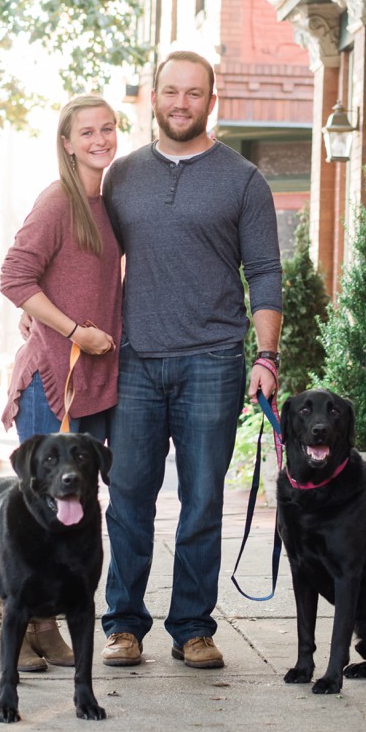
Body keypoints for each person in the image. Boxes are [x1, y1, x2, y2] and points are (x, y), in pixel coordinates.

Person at [100, 51, 282, 672]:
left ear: (212, 99)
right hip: (135, 361)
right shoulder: (120, 177)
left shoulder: (242, 180)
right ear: (153, 95)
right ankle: (123, 625)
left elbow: (264, 271)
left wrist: (266, 356)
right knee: (128, 498)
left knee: (203, 499)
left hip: (213, 361)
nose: (182, 103)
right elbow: (90, 256)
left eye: (195, 93)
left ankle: (193, 628)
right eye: (171, 91)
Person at [0, 92, 122, 671]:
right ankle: (11, 634)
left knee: (72, 513)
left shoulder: (103, 202)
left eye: (108, 129)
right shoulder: (57, 201)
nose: (100, 139)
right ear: (67, 142)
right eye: (86, 132)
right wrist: (73, 331)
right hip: (55, 378)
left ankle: (45, 632)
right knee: (36, 512)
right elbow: (14, 275)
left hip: (92, 379)